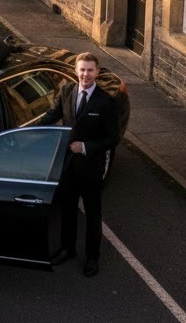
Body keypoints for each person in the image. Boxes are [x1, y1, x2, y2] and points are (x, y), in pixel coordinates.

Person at [39, 52, 119, 278]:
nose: (86, 74)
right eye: (82, 69)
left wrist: (84, 147)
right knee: (68, 209)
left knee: (93, 214)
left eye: (90, 70)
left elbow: (112, 138)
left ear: (97, 72)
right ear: (76, 71)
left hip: (91, 168)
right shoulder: (66, 91)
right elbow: (52, 115)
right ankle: (68, 249)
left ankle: (92, 257)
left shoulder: (105, 101)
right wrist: (29, 130)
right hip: (68, 165)